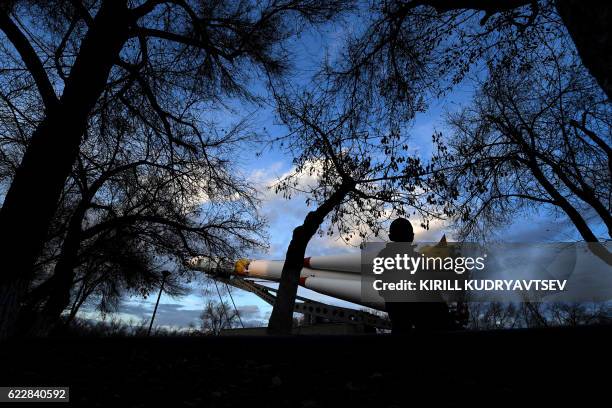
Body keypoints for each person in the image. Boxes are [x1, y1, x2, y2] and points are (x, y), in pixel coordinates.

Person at [377, 218, 452, 334]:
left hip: (403, 315)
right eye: (407, 234)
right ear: (411, 237)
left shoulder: (383, 257)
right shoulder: (416, 259)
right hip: (417, 315)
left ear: (391, 237)